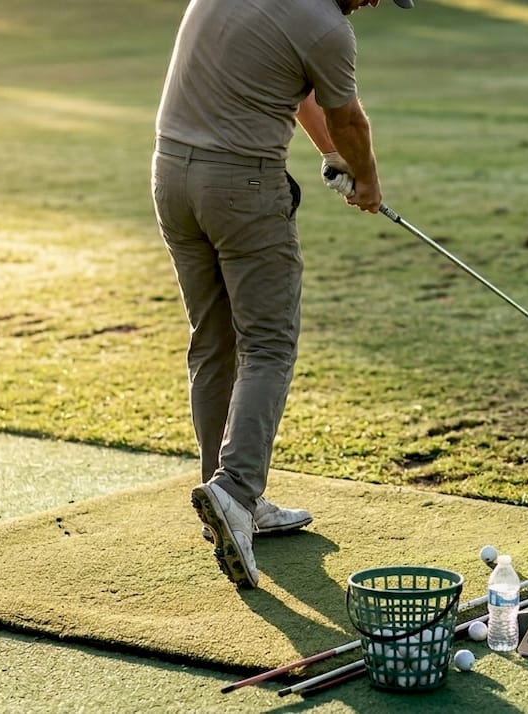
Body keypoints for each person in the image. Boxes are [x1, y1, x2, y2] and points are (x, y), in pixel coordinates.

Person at [151, 0, 412, 588]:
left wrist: (331, 157)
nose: (374, 3)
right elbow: (350, 120)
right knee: (268, 345)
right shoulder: (326, 26)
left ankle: (222, 494)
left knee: (212, 341)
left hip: (171, 175)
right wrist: (367, 181)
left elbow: (303, 98)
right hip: (242, 185)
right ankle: (236, 494)